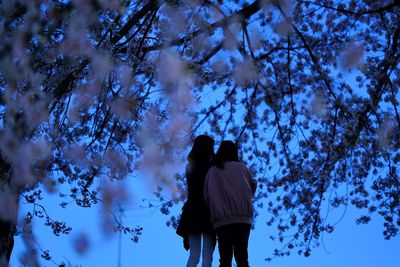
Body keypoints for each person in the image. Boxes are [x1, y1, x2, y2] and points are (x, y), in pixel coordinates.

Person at [204, 140, 257, 267]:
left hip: (222, 218)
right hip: (243, 217)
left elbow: (207, 195)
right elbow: (252, 186)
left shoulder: (213, 171)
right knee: (242, 257)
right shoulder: (242, 168)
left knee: (225, 259)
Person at [177, 135, 216, 267]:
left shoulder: (190, 166)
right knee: (207, 253)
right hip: (208, 211)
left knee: (194, 255)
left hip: (192, 211)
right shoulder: (212, 167)